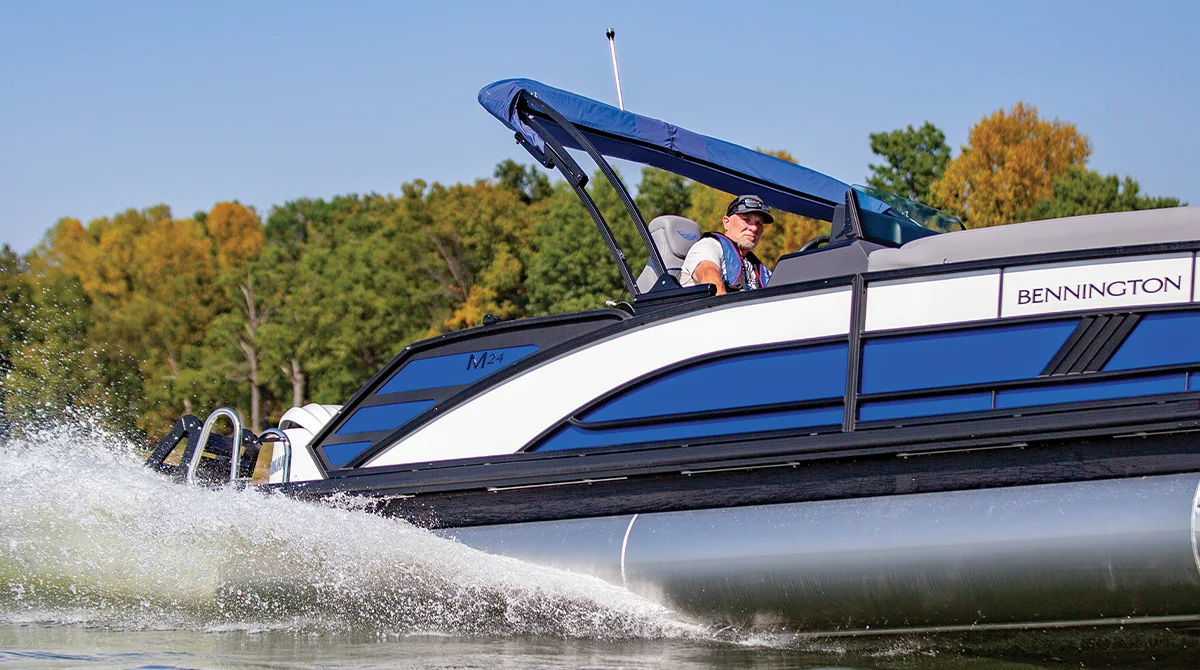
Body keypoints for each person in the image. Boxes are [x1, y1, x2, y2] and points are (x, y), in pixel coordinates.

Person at [679, 194, 773, 295]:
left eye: (759, 223)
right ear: (726, 223)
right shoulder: (708, 247)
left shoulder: (760, 269)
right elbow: (711, 281)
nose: (754, 228)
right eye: (746, 219)